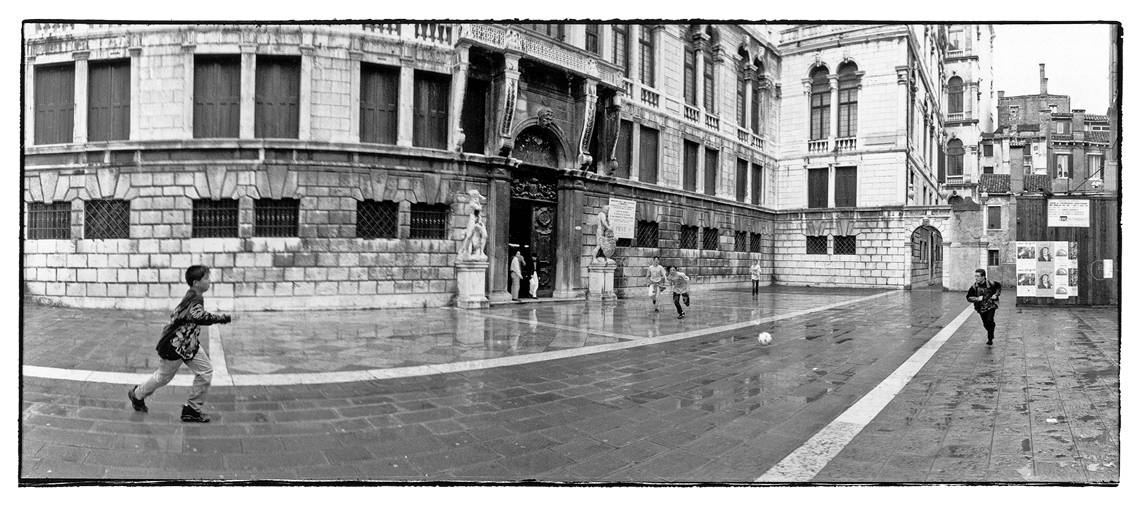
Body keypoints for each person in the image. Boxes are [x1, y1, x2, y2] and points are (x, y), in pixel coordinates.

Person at [128, 265, 232, 423]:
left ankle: (191, 410)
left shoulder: (194, 295)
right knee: (163, 377)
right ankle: (137, 394)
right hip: (175, 346)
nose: (209, 281)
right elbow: (199, 316)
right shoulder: (195, 298)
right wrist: (223, 318)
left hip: (189, 344)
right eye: (206, 278)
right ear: (196, 282)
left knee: (205, 372)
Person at [966, 268, 1001, 346]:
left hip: (991, 305)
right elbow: (968, 297)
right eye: (975, 276)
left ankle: (990, 337)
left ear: (983, 277)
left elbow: (998, 287)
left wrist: (996, 295)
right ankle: (991, 330)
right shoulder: (974, 287)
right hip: (981, 308)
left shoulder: (991, 283)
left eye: (978, 276)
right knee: (985, 324)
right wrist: (977, 298)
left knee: (989, 320)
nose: (976, 278)